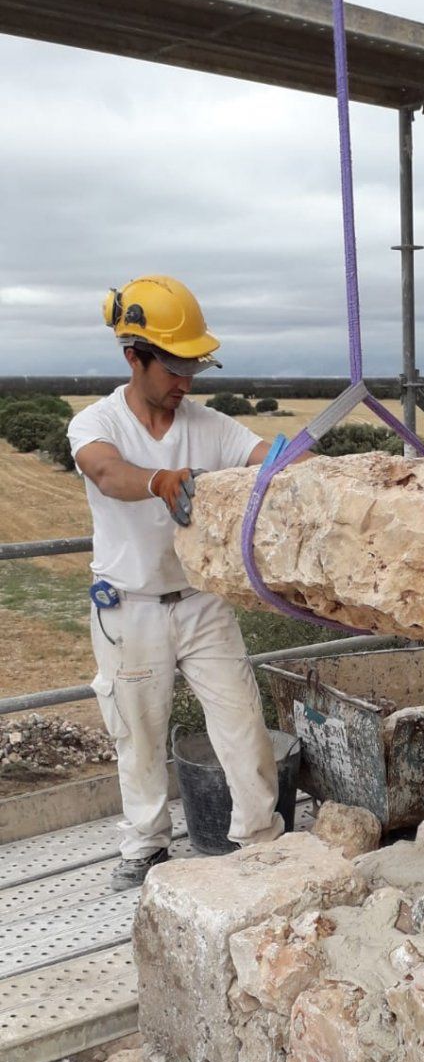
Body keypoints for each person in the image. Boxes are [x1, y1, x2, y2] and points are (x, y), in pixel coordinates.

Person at [68, 275, 284, 891]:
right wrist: (160, 481)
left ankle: (259, 844)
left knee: (242, 723)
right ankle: (145, 845)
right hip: (128, 607)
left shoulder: (209, 425)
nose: (186, 381)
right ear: (134, 357)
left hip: (202, 603)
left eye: (194, 367)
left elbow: (265, 455)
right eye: (173, 367)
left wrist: (320, 467)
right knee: (136, 732)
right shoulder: (95, 422)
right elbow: (108, 473)